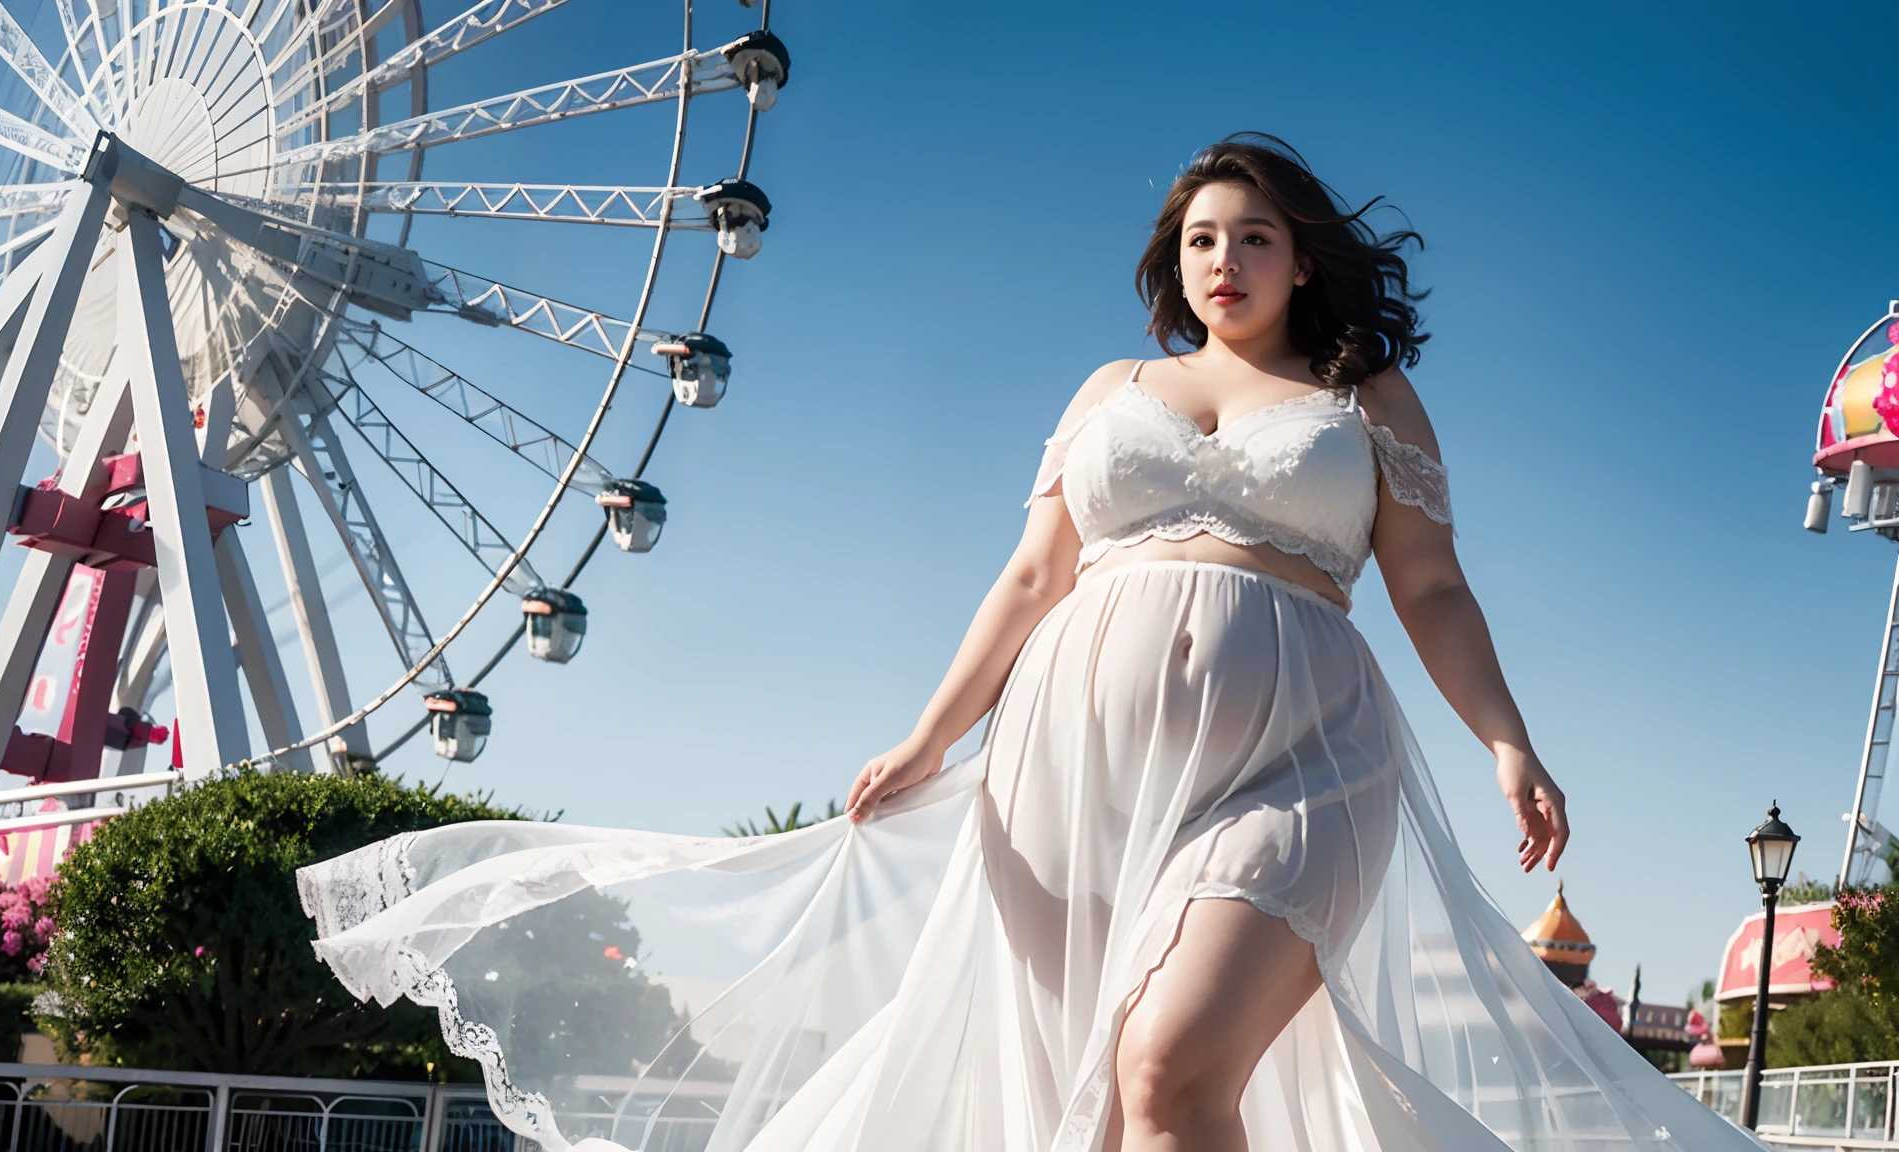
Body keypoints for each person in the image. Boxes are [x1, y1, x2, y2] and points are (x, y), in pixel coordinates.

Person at [298, 136, 1760, 1151]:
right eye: (1202, 238)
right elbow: (1029, 576)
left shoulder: (1362, 395)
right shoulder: (1111, 385)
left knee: (1169, 1061)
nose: (1225, 258)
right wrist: (931, 736)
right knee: (1103, 1098)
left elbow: (1432, 588)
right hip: (1074, 779)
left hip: (1304, 759)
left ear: (1304, 260)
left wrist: (1508, 739)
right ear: (1173, 260)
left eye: (1255, 236)